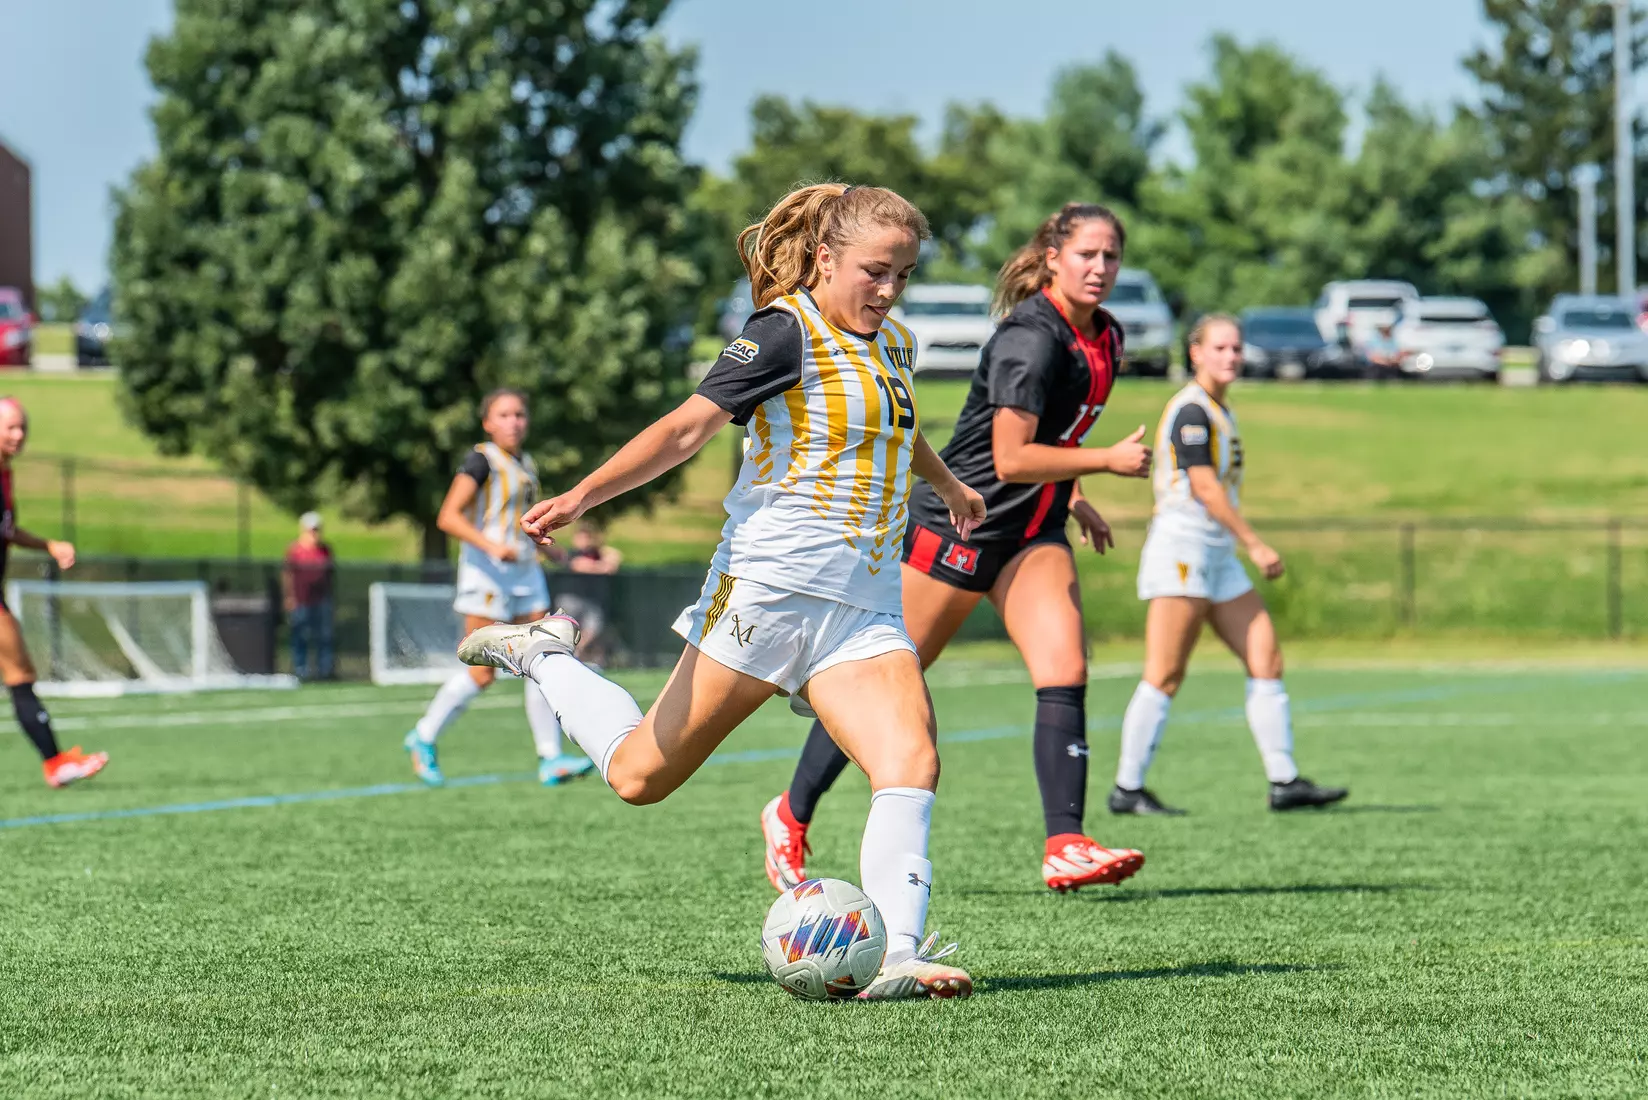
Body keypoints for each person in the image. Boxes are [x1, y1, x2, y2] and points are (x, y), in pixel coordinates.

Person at [458, 183, 986, 1000]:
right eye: (875, 271)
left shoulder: (895, 343)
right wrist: (584, 496)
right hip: (767, 595)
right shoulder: (783, 333)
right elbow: (685, 428)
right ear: (825, 258)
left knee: (910, 759)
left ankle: (896, 955)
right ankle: (544, 654)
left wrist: (949, 487)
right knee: (640, 778)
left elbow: (897, 426)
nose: (888, 290)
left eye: (904, 276)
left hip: (866, 607)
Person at [761, 203, 1157, 896]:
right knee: (888, 688)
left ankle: (1065, 842)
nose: (1100, 269)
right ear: (1053, 256)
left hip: (1032, 529)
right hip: (961, 525)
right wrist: (1105, 464)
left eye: (1111, 257)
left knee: (1065, 667)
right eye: (1087, 255)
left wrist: (1074, 495)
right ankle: (790, 814)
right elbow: (1007, 457)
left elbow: (1049, 443)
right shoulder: (1032, 339)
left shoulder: (1108, 336)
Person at [1109, 315, 1347, 814]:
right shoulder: (1191, 409)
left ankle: (1284, 781)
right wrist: (1255, 544)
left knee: (1266, 659)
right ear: (1195, 353)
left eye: (1236, 348)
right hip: (1184, 550)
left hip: (1216, 554)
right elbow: (1205, 487)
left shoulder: (1219, 409)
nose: (1230, 357)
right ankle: (1127, 788)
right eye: (1219, 347)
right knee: (1165, 672)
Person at [403, 388, 595, 789]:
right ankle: (423, 736)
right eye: (504, 415)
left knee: (544, 660)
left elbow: (518, 522)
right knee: (482, 672)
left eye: (520, 414)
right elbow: (448, 517)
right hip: (486, 575)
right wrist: (492, 547)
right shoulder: (480, 460)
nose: (514, 422)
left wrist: (552, 552)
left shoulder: (525, 464)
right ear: (488, 423)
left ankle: (550, 758)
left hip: (525, 573)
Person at [0, 397, 108, 787]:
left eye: (23, 427)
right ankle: (55, 764)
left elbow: (8, 530)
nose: (19, 435)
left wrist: (48, 545)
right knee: (19, 674)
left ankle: (55, 762)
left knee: (20, 673)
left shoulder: (5, 476)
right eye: (10, 427)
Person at [282, 512, 335, 681]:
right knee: (300, 635)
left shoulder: (325, 550)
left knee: (324, 636)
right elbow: (287, 575)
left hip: (321, 600)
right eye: (311, 530)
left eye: (317, 530)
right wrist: (289, 597)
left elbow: (330, 575)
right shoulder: (295, 550)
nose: (314, 533)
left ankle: (324, 670)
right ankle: (300, 669)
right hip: (301, 600)